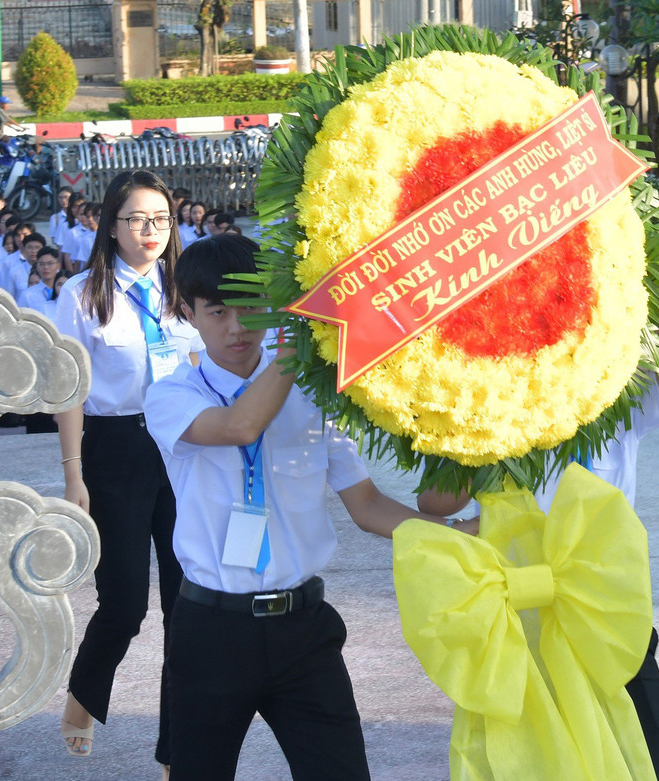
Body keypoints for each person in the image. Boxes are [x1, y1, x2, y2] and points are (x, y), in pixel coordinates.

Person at [142, 233, 476, 779]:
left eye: (253, 307)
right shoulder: (171, 396)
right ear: (188, 313)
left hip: (304, 630)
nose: (238, 326)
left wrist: (460, 533)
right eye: (219, 311)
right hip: (212, 631)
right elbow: (239, 425)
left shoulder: (316, 396)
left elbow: (367, 507)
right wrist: (300, 346)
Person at [417, 310, 659, 781]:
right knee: (538, 754)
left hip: (603, 612)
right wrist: (485, 435)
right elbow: (433, 500)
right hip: (522, 622)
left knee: (644, 737)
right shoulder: (488, 411)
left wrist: (637, 276)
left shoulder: (616, 402)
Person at [52, 170, 202, 767]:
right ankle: (85, 695)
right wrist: (73, 472)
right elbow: (69, 391)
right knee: (124, 602)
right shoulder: (83, 294)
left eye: (161, 218)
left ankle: (176, 748)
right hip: (115, 451)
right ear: (110, 225)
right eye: (137, 218)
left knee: (187, 604)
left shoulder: (186, 288)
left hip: (185, 447)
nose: (151, 230)